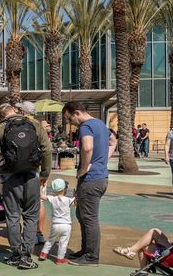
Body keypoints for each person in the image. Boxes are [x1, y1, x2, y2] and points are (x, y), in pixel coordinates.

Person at [0, 103, 52, 270]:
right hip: (32, 176)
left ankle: (15, 254)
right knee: (31, 216)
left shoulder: (1, 127)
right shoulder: (34, 125)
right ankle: (27, 256)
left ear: (1, 116)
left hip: (10, 177)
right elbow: (47, 149)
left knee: (13, 216)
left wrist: (1, 152)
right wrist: (45, 174)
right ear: (15, 110)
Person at [62, 101, 117, 266]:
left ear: (77, 113)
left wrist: (84, 169)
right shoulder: (100, 124)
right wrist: (102, 161)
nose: (70, 123)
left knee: (89, 218)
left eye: (70, 119)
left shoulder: (85, 126)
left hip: (91, 179)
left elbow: (87, 148)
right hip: (100, 178)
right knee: (83, 216)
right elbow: (113, 141)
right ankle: (86, 251)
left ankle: (91, 256)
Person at [16, 100, 47, 247]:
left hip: (18, 170)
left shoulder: (17, 124)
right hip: (36, 169)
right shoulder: (38, 126)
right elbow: (46, 149)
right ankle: (38, 233)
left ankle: (25, 236)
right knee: (38, 202)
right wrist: (45, 173)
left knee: (20, 203)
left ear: (23, 112)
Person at [39, 178, 76, 265]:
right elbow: (76, 203)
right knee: (63, 242)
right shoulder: (68, 200)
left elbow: (42, 197)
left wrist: (41, 187)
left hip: (55, 225)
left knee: (50, 240)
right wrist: (76, 195)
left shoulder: (52, 198)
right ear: (65, 189)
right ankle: (60, 259)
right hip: (66, 225)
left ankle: (43, 254)